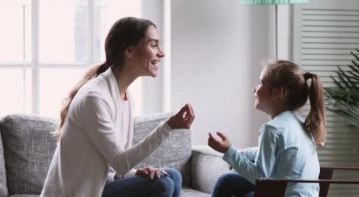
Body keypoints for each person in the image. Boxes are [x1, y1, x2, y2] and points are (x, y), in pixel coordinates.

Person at [41, 17, 195, 197]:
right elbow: (120, 162)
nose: (161, 53)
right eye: (153, 45)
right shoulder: (94, 98)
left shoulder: (124, 95)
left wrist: (136, 173)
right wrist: (168, 127)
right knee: (162, 185)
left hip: (101, 186)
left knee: (172, 176)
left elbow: (113, 165)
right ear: (129, 50)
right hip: (79, 193)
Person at [208, 60, 326, 197]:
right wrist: (240, 153)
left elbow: (261, 177)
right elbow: (275, 152)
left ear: (278, 92)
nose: (255, 88)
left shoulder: (272, 129)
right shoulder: (300, 124)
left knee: (228, 184)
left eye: (260, 83)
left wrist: (230, 152)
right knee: (233, 185)